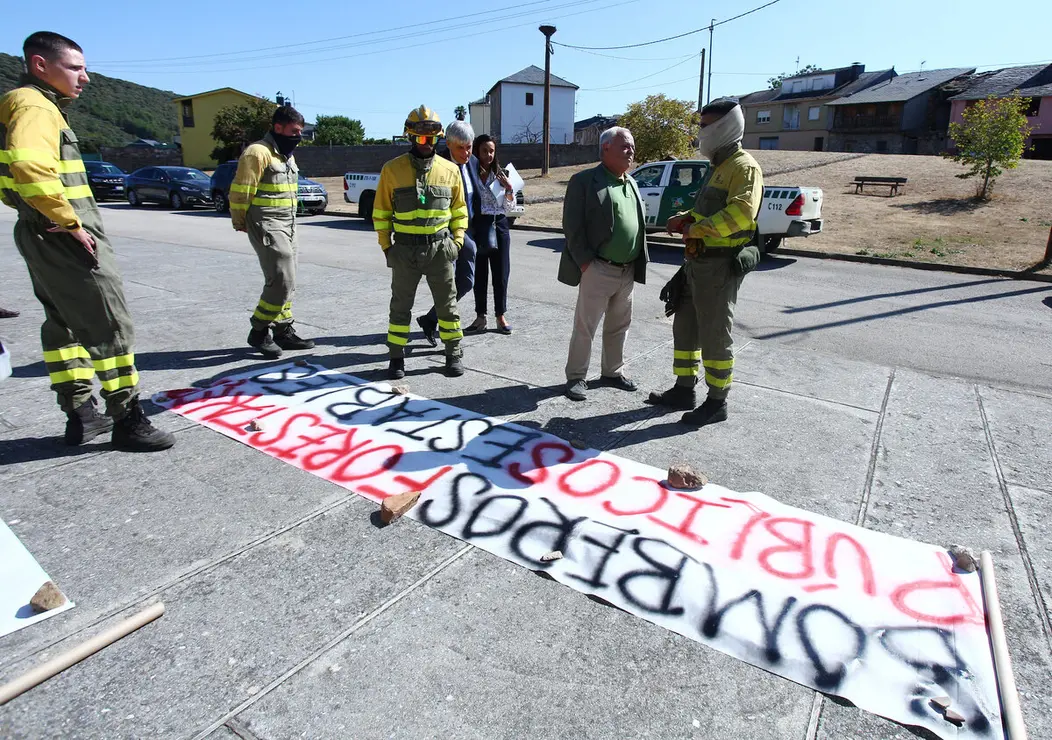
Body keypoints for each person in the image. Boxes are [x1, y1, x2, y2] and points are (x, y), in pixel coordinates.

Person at [0, 32, 174, 451]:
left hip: (39, 229)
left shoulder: (23, 105)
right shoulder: (35, 106)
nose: (86, 77)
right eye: (76, 68)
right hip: (63, 233)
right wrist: (68, 221)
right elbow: (29, 167)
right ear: (41, 65)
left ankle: (81, 414)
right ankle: (128, 419)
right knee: (110, 324)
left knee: (63, 324)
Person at [647, 98, 764, 427]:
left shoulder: (744, 167)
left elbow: (741, 215)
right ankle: (684, 389)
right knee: (685, 327)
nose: (701, 133)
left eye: (705, 126)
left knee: (715, 334)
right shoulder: (719, 166)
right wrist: (686, 217)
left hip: (719, 265)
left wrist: (694, 228)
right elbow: (708, 210)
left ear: (725, 127)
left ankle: (717, 401)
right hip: (696, 262)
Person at [373, 105, 468, 379]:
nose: (427, 144)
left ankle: (453, 353)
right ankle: (396, 357)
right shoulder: (392, 170)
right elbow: (381, 213)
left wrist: (457, 242)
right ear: (410, 137)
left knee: (447, 305)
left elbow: (460, 211)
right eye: (421, 138)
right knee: (400, 305)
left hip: (440, 249)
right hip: (404, 250)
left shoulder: (450, 170)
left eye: (433, 137)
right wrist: (386, 247)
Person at [559, 126, 649, 402]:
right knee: (586, 326)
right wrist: (586, 263)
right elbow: (572, 227)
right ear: (605, 148)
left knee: (619, 325)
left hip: (627, 270)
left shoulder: (631, 182)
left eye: (632, 146)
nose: (630, 150)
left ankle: (612, 371)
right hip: (598, 268)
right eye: (624, 146)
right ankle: (576, 377)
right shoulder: (585, 181)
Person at [229, 104, 314, 359]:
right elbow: (241, 191)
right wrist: (240, 221)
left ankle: (283, 330)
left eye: (300, 131)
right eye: (294, 131)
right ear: (278, 127)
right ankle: (258, 329)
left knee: (290, 280)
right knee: (281, 279)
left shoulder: (286, 156)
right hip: (266, 223)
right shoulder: (257, 152)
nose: (298, 136)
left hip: (288, 224)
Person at [416, 120, 481, 346]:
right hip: (442, 234)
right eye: (460, 148)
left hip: (466, 233)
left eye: (469, 147)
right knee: (447, 283)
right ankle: (447, 333)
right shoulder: (436, 164)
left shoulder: (473, 162)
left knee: (466, 282)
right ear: (449, 145)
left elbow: (476, 197)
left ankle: (430, 319)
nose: (466, 153)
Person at [465, 134, 515, 335]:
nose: (488, 154)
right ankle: (480, 317)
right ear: (477, 151)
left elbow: (510, 207)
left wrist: (509, 189)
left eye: (492, 151)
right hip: (479, 227)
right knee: (480, 275)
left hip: (499, 225)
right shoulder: (470, 174)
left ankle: (500, 316)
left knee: (501, 274)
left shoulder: (502, 174)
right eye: (484, 150)